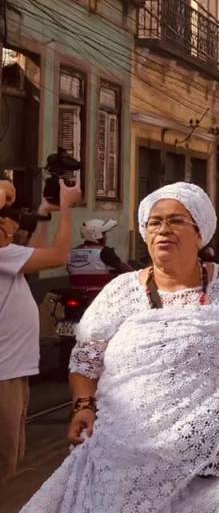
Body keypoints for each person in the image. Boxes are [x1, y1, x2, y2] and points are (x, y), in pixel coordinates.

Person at [24, 182, 219, 512]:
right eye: (154, 222)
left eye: (176, 221)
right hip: (125, 457)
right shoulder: (119, 292)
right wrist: (83, 405)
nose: (163, 230)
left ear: (200, 233)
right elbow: (87, 360)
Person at [0, 178, 80, 483]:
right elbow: (59, 256)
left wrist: (46, 212)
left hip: (12, 370)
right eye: (7, 225)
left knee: (11, 456)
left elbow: (35, 254)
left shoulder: (9, 257)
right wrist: (68, 211)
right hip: (3, 373)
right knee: (4, 458)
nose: (12, 230)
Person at [67, 219, 131, 292]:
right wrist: (135, 274)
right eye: (104, 234)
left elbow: (70, 270)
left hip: (76, 292)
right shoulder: (103, 251)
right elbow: (123, 267)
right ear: (96, 235)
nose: (105, 237)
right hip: (99, 294)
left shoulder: (72, 252)